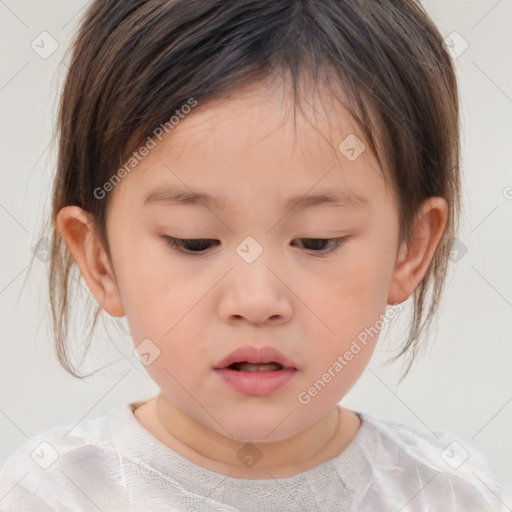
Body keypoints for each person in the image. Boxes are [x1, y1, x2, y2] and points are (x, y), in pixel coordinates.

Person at [0, 0, 507, 510]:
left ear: (410, 250)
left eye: (317, 241)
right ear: (100, 259)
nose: (258, 300)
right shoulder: (53, 493)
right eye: (193, 241)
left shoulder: (445, 493)